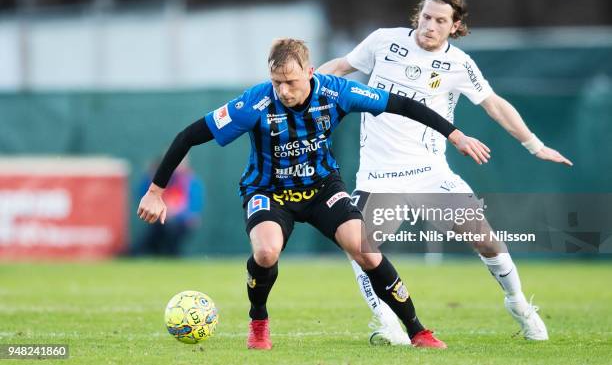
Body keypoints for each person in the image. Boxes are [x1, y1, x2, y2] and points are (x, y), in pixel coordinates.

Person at [137, 38, 490, 350]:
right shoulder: (254, 103)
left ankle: (417, 330)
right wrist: (156, 190)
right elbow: (188, 135)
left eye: (290, 81)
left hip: (321, 188)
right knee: (265, 251)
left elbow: (403, 104)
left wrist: (453, 134)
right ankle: (258, 321)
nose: (283, 90)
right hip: (268, 190)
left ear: (309, 72)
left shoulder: (337, 91)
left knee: (364, 250)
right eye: (277, 82)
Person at [317, 0, 572, 345]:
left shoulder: (458, 64)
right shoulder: (382, 41)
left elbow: (493, 104)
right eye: (426, 17)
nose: (430, 26)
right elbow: (340, 68)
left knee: (485, 241)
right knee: (360, 248)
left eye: (440, 20)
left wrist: (534, 145)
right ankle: (386, 319)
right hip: (378, 177)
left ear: (455, 26)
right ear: (417, 16)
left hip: (430, 174)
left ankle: (519, 304)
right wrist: (301, 84)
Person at [134, 157, 204, 256]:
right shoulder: (157, 180)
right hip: (158, 222)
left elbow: (193, 211)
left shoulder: (190, 181)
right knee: (147, 241)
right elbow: (144, 196)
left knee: (171, 235)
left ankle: (172, 255)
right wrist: (151, 176)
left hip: (180, 224)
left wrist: (174, 213)